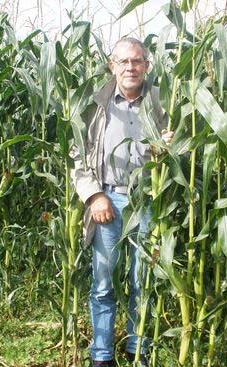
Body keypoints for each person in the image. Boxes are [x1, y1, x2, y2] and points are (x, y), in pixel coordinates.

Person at [71, 37, 173, 367]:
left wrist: (173, 144)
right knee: (103, 282)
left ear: (147, 65)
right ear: (112, 66)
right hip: (107, 201)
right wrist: (94, 195)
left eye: (138, 61)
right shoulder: (95, 104)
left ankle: (137, 348)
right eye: (124, 61)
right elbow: (77, 153)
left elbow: (182, 147)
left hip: (148, 200)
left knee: (142, 280)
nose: (131, 67)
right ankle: (102, 356)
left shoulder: (162, 102)